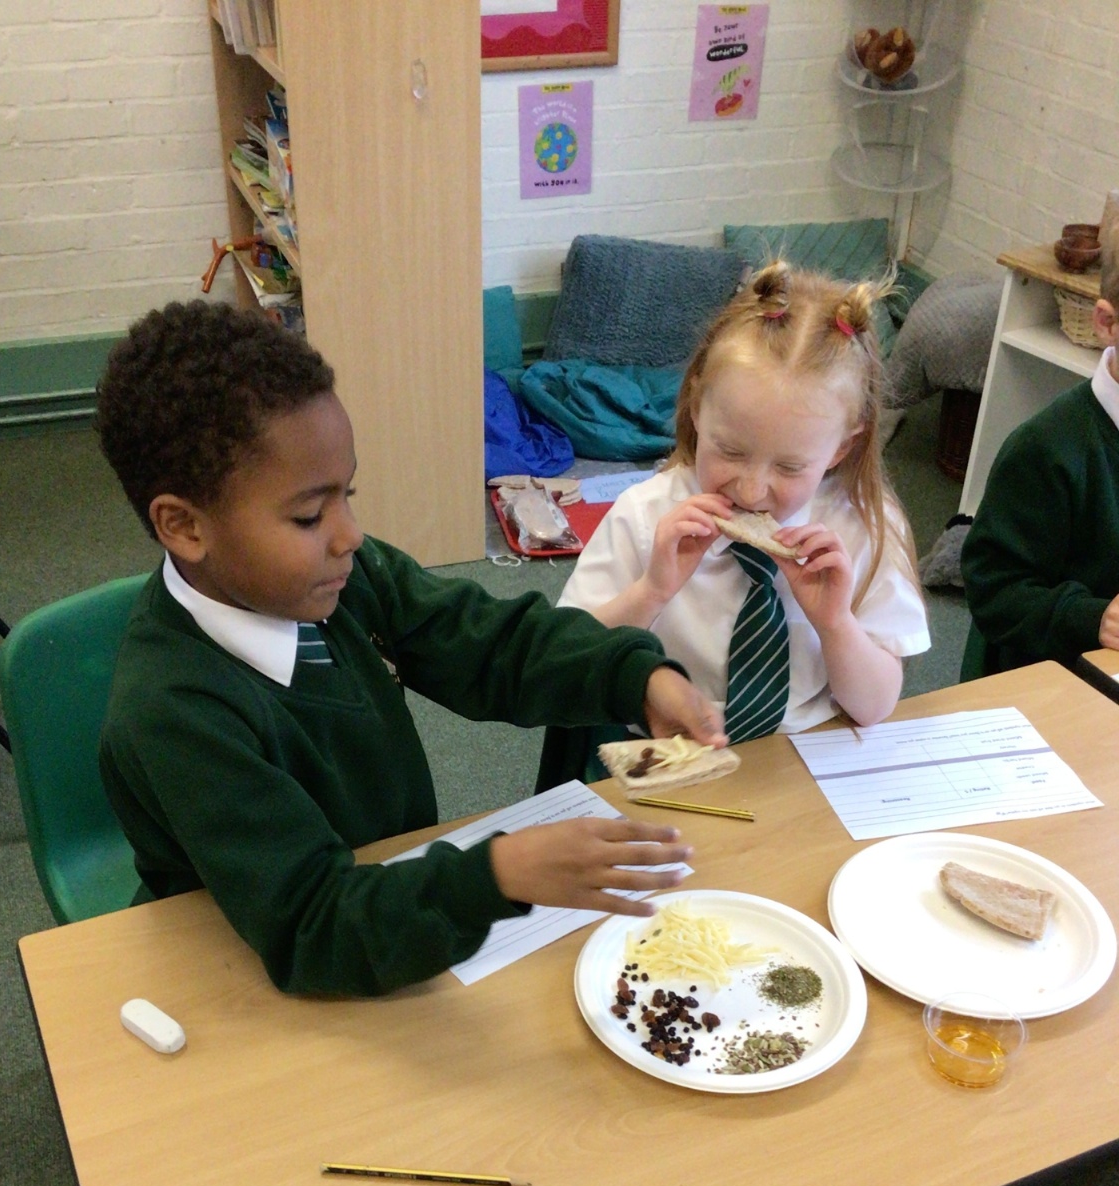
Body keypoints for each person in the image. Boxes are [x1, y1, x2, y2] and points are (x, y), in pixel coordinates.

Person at [95, 300, 726, 997]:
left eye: (348, 494)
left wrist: (633, 675)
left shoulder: (346, 578)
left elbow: (493, 645)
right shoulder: (174, 713)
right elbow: (311, 927)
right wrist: (497, 877)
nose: (349, 535)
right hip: (245, 965)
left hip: (388, 899)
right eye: (308, 515)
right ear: (184, 527)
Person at [555, 261, 928, 746]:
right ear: (696, 408)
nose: (751, 491)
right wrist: (652, 590)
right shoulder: (644, 516)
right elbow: (566, 663)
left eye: (789, 467)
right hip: (665, 749)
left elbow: (873, 706)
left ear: (841, 448)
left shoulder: (866, 530)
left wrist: (835, 623)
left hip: (803, 751)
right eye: (730, 452)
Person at [961, 221, 1119, 674]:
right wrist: (1093, 618)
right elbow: (994, 591)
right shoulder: (1047, 449)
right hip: (1060, 676)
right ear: (1106, 323)